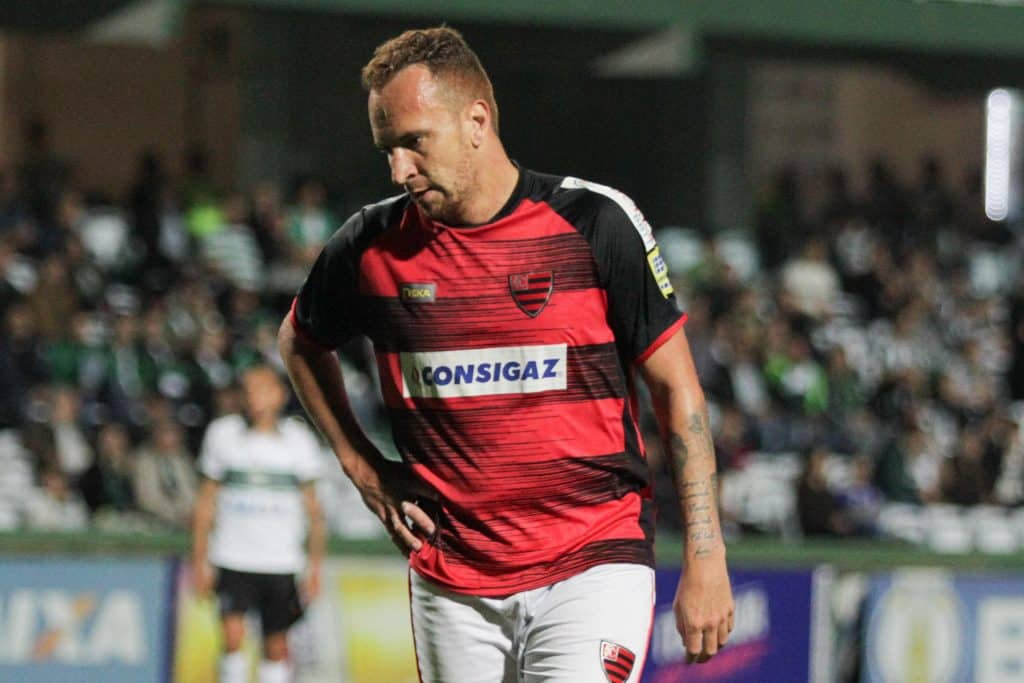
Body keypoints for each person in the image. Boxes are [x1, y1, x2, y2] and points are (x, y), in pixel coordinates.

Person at [278, 27, 733, 681]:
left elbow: (677, 389)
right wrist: (362, 465)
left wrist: (706, 552)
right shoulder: (369, 246)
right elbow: (299, 341)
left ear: (477, 121)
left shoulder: (595, 224)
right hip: (451, 575)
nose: (399, 169)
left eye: (414, 142)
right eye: (387, 150)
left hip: (591, 562)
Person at [192, 365, 325, 683]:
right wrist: (199, 559)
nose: (254, 398)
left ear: (280, 395)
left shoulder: (299, 441)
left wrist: (315, 566)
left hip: (281, 561)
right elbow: (205, 502)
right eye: (248, 390)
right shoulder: (222, 435)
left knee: (276, 645)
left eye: (263, 390)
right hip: (232, 556)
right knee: (232, 638)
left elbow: (314, 512)